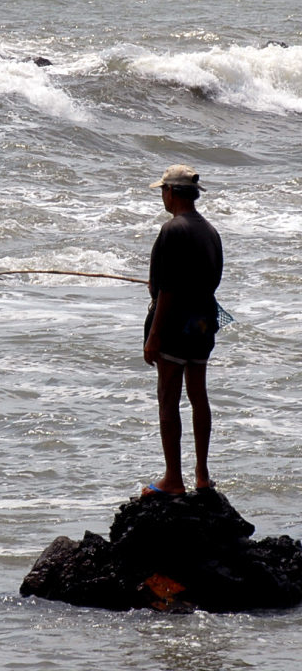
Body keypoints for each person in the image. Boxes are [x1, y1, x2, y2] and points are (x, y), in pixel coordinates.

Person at [142, 164, 223, 496]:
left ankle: (173, 479)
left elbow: (167, 290)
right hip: (204, 323)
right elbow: (210, 280)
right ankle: (202, 476)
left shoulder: (172, 230)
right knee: (198, 396)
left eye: (163, 190)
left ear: (172, 193)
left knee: (168, 397)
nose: (162, 195)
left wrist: (154, 335)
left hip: (175, 325)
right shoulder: (211, 232)